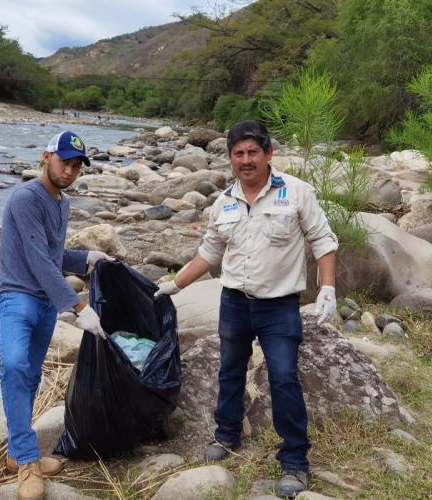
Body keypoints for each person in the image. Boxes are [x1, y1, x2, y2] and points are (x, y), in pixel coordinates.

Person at [154, 120, 338, 498]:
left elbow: (322, 239)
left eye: (253, 152)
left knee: (284, 377)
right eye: (238, 153)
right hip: (235, 302)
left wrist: (328, 288)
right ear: (230, 160)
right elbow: (209, 253)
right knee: (230, 371)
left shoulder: (296, 192)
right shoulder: (224, 202)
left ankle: (295, 460)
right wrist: (173, 286)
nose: (246, 160)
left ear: (268, 154)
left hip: (279, 307)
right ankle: (226, 435)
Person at [0, 130, 113, 500]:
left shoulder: (61, 202)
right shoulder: (26, 198)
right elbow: (36, 259)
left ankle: (17, 451)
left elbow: (53, 254)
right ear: (46, 157)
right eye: (65, 162)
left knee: (28, 378)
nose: (70, 171)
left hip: (44, 302)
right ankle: (28, 463)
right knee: (13, 367)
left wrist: (86, 259)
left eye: (77, 165)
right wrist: (79, 307)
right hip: (16, 296)